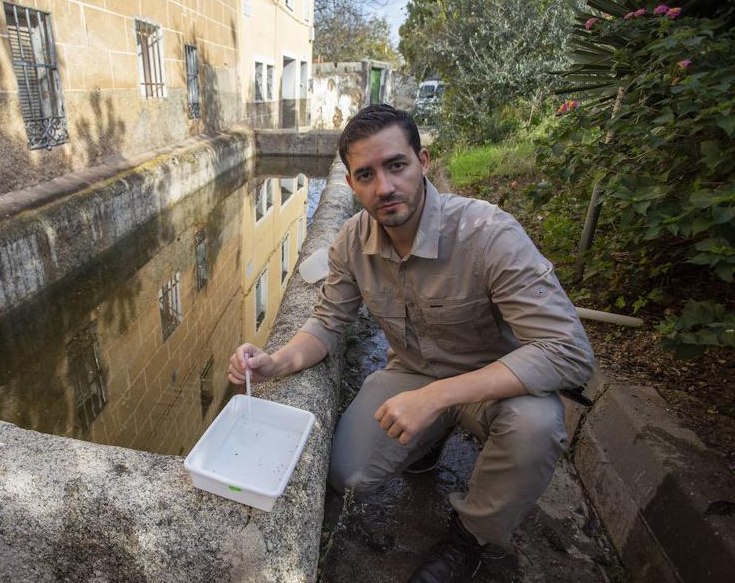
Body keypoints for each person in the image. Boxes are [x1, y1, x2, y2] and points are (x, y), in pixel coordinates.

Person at [227, 104, 594, 583]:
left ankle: (471, 536)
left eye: (395, 165)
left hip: (495, 385)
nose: (384, 187)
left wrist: (437, 396)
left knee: (537, 425)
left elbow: (568, 351)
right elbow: (326, 322)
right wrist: (275, 361)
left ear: (421, 161)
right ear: (352, 184)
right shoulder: (350, 243)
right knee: (344, 473)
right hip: (411, 371)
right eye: (365, 175)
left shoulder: (489, 235)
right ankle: (426, 444)